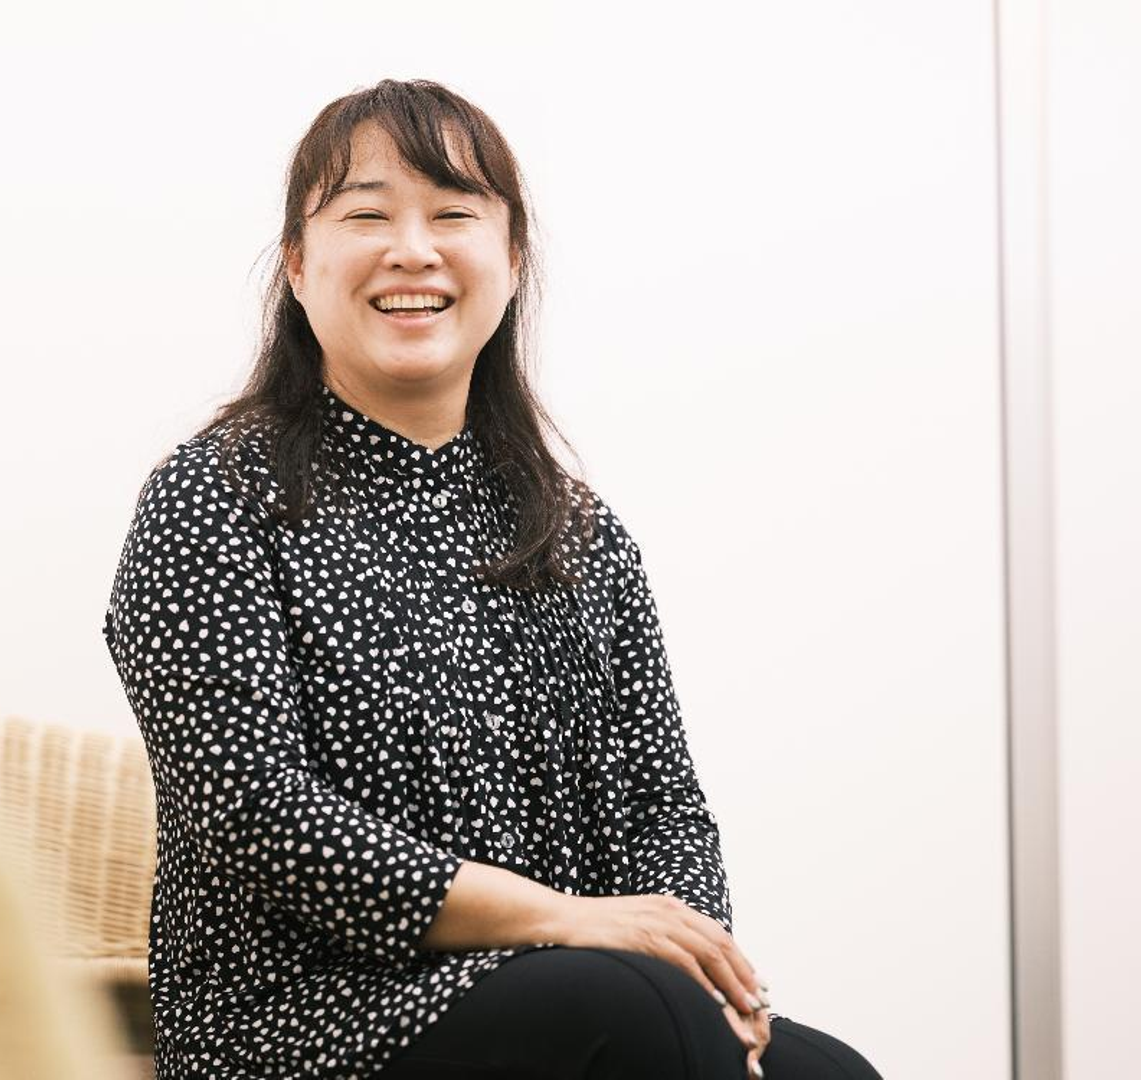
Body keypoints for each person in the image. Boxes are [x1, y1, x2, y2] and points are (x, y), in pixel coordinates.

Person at [103, 77, 884, 1080]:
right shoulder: (213, 497)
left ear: (512, 261)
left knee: (827, 1071)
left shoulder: (580, 533)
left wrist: (691, 959)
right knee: (629, 1015)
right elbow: (256, 813)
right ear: (297, 263)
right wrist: (564, 920)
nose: (412, 250)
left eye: (453, 215)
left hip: (568, 987)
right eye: (367, 216)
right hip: (304, 1022)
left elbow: (664, 807)